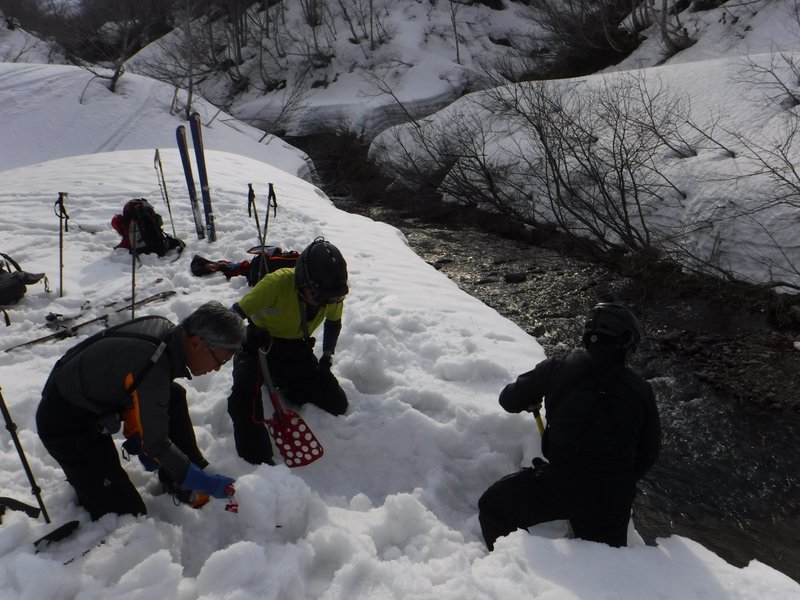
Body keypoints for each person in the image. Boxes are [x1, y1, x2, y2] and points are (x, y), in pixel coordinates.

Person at [36, 301, 244, 520]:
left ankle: (184, 469)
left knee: (173, 395)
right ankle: (183, 476)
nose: (217, 368)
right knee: (126, 514)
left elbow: (131, 383)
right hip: (66, 425)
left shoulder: (168, 337)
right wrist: (203, 482)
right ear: (195, 343)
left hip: (89, 401)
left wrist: (139, 433)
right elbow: (155, 443)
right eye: (220, 360)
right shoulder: (154, 362)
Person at [478, 302, 661, 550]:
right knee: (605, 563)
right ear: (626, 343)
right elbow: (649, 452)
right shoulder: (642, 390)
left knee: (494, 506)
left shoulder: (556, 368)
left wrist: (531, 398)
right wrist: (618, 480)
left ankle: (515, 571)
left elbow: (508, 399)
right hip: (611, 497)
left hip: (560, 484)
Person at [227, 237, 349, 465]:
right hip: (257, 346)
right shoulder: (276, 284)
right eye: (320, 297)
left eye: (334, 297)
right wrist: (246, 337)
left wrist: (326, 359)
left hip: (295, 348)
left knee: (336, 403)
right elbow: (233, 315)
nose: (326, 303)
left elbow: (333, 324)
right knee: (244, 399)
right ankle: (257, 462)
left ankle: (288, 386)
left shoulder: (331, 293)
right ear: (303, 282)